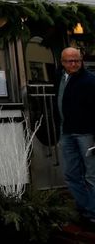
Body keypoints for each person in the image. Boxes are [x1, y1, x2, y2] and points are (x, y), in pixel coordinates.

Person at [57, 47, 95, 226]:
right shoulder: (61, 77)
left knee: (91, 175)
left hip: (87, 134)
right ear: (62, 62)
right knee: (71, 174)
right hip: (67, 133)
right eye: (69, 61)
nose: (73, 64)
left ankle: (93, 213)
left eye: (77, 61)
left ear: (81, 60)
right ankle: (85, 209)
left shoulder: (90, 80)